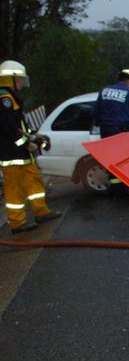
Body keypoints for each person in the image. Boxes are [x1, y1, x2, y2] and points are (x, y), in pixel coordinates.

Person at [0, 60, 61, 233]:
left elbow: (20, 125)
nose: (22, 83)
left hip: (22, 153)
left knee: (34, 182)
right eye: (19, 79)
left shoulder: (11, 97)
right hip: (11, 155)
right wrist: (27, 144)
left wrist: (34, 135)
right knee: (14, 190)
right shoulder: (4, 99)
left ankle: (41, 212)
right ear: (9, 79)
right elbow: (8, 128)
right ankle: (17, 224)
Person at [95, 69, 129, 138]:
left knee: (108, 149)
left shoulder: (104, 90)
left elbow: (95, 111)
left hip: (105, 132)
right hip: (122, 133)